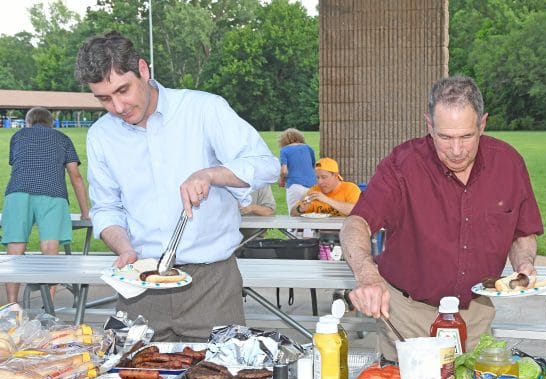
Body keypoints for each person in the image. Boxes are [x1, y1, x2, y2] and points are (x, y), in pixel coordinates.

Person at [74, 31, 279, 341]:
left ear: (143, 70)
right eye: (104, 98)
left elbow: (267, 165)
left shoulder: (204, 109)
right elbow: (106, 208)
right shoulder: (100, 135)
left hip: (211, 284)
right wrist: (124, 248)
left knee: (221, 372)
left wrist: (212, 174)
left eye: (123, 90)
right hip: (139, 283)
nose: (118, 106)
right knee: (130, 371)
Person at [340, 75, 543, 360]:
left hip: (475, 315)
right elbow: (355, 224)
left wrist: (524, 264)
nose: (457, 151)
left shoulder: (508, 164)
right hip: (408, 316)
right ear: (429, 125)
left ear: (482, 124)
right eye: (445, 137)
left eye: (466, 137)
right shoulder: (402, 165)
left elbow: (522, 233)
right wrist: (367, 275)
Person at [2, 107, 90, 305]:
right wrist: (85, 211)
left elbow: (16, 164)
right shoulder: (63, 138)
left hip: (18, 192)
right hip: (53, 193)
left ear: (29, 122)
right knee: (50, 247)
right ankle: (47, 307)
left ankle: (12, 306)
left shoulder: (18, 136)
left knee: (15, 247)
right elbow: (75, 176)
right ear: (51, 123)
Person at [291, 157, 361, 217]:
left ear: (336, 176)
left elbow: (356, 211)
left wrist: (326, 200)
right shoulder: (314, 190)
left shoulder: (350, 188)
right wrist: (300, 209)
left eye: (324, 177)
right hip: (320, 228)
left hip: (345, 228)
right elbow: (292, 213)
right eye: (317, 177)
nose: (320, 182)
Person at [278, 128, 316, 214]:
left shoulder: (284, 150)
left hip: (294, 186)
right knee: (310, 213)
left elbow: (284, 171)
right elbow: (314, 167)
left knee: (294, 213)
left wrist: (282, 180)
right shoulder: (309, 148)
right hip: (312, 186)